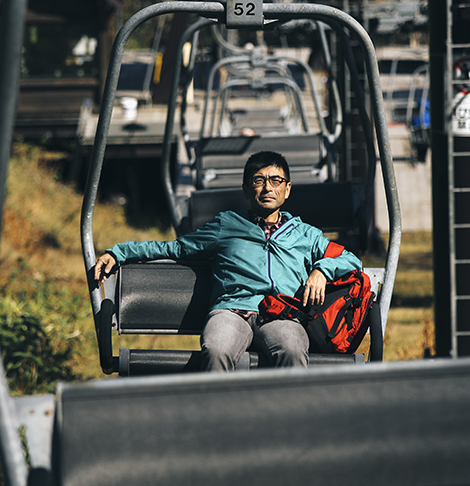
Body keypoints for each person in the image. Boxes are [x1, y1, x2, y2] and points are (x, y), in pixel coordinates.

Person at [93, 150, 362, 371]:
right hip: (232, 311)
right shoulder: (227, 225)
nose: (267, 187)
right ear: (246, 189)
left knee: (292, 349)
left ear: (287, 189)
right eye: (258, 180)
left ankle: (287, 427)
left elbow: (351, 260)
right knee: (217, 349)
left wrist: (322, 271)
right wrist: (119, 252)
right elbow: (175, 248)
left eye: (276, 180)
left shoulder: (305, 234)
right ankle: (220, 426)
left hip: (282, 315)